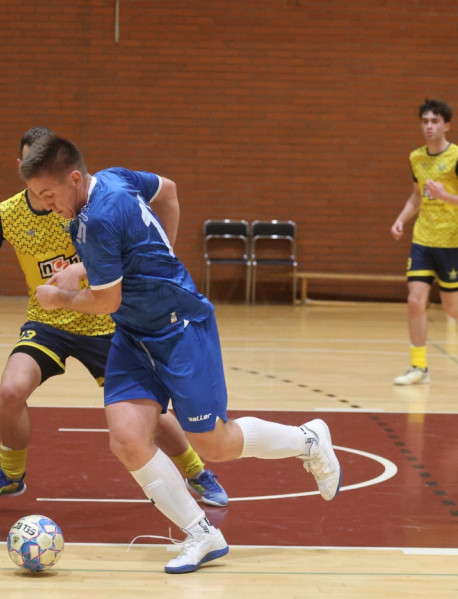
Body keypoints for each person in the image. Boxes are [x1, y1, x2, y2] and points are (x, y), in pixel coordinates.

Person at [18, 134, 341, 574]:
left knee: (216, 446)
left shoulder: (99, 219)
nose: (44, 204)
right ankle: (202, 533)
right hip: (134, 334)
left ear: (74, 178)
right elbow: (168, 190)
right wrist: (155, 255)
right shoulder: (114, 178)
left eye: (48, 195)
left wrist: (58, 300)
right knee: (128, 438)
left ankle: (309, 440)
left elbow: (105, 302)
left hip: (179, 328)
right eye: (37, 197)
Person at [0, 127, 230, 510]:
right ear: (22, 166)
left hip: (105, 321)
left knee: (153, 416)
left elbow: (128, 245)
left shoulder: (84, 204)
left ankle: (197, 472)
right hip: (49, 322)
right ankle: (10, 474)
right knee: (11, 390)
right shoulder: (6, 215)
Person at [389, 99, 458, 385]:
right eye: (425, 121)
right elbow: (416, 196)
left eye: (435, 121)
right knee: (414, 301)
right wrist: (402, 219)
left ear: (446, 125)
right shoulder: (416, 158)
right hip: (423, 240)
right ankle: (419, 367)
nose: (429, 126)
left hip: (453, 243)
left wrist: (446, 195)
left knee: (451, 307)